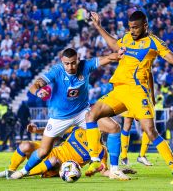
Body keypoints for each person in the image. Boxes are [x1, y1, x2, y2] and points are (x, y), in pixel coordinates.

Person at [85, 11, 173, 184]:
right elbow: (114, 44)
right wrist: (98, 26)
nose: (132, 30)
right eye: (130, 27)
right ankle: (95, 160)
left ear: (145, 26)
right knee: (92, 114)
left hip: (137, 92)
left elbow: (170, 55)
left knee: (150, 132)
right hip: (119, 90)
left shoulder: (153, 42)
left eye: (135, 27)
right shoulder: (127, 38)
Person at [10, 48, 130, 180]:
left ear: (78, 60)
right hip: (59, 118)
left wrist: (118, 55)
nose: (70, 66)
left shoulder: (85, 66)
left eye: (73, 63)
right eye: (67, 63)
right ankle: (23, 171)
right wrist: (39, 92)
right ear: (62, 61)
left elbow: (107, 58)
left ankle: (114, 169)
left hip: (82, 113)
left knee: (114, 128)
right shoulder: (57, 71)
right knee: (44, 151)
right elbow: (36, 84)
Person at [0, 124, 128, 179]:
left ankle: (20, 174)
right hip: (52, 152)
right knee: (25, 145)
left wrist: (116, 171)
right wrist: (37, 130)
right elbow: (56, 131)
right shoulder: (78, 129)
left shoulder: (101, 151)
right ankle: (11, 170)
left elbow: (104, 170)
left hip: (61, 167)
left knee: (53, 161)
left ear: (104, 131)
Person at [120, 72, 156, 166]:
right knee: (127, 125)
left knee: (147, 127)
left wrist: (152, 97)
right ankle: (124, 157)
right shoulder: (126, 64)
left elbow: (150, 80)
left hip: (142, 98)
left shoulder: (145, 64)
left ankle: (142, 155)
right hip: (129, 97)